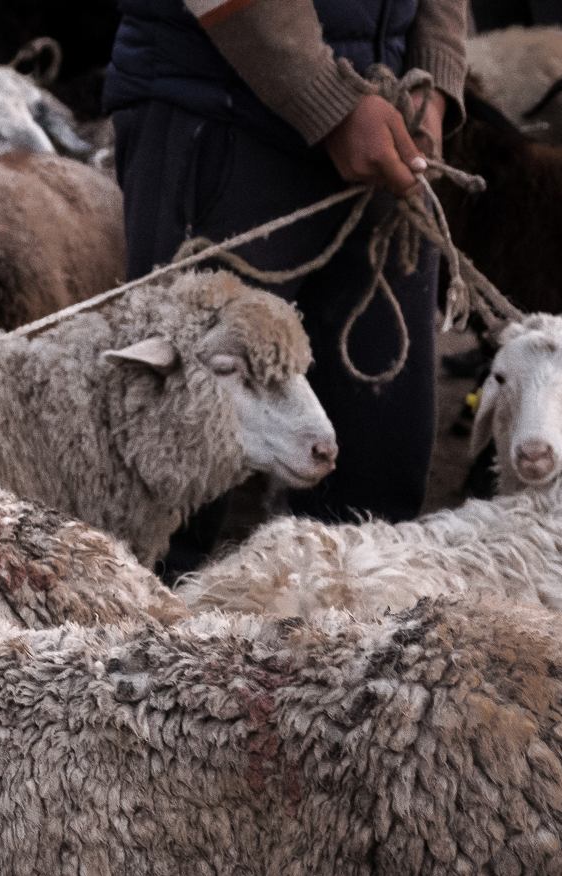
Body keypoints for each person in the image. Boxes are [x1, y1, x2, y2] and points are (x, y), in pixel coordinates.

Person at [103, 0, 466, 570]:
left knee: (376, 492)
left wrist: (435, 78)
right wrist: (328, 99)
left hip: (384, 128)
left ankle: (349, 624)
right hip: (224, 107)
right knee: (171, 496)